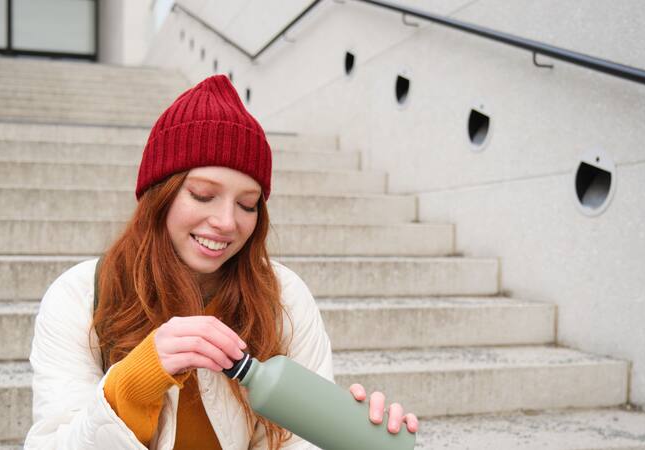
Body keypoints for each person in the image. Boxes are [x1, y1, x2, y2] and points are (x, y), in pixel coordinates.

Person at [24, 74, 418, 449]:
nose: (228, 222)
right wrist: (132, 383)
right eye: (201, 194)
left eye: (248, 204)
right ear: (158, 196)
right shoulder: (78, 296)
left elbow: (299, 444)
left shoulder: (284, 297)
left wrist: (343, 436)